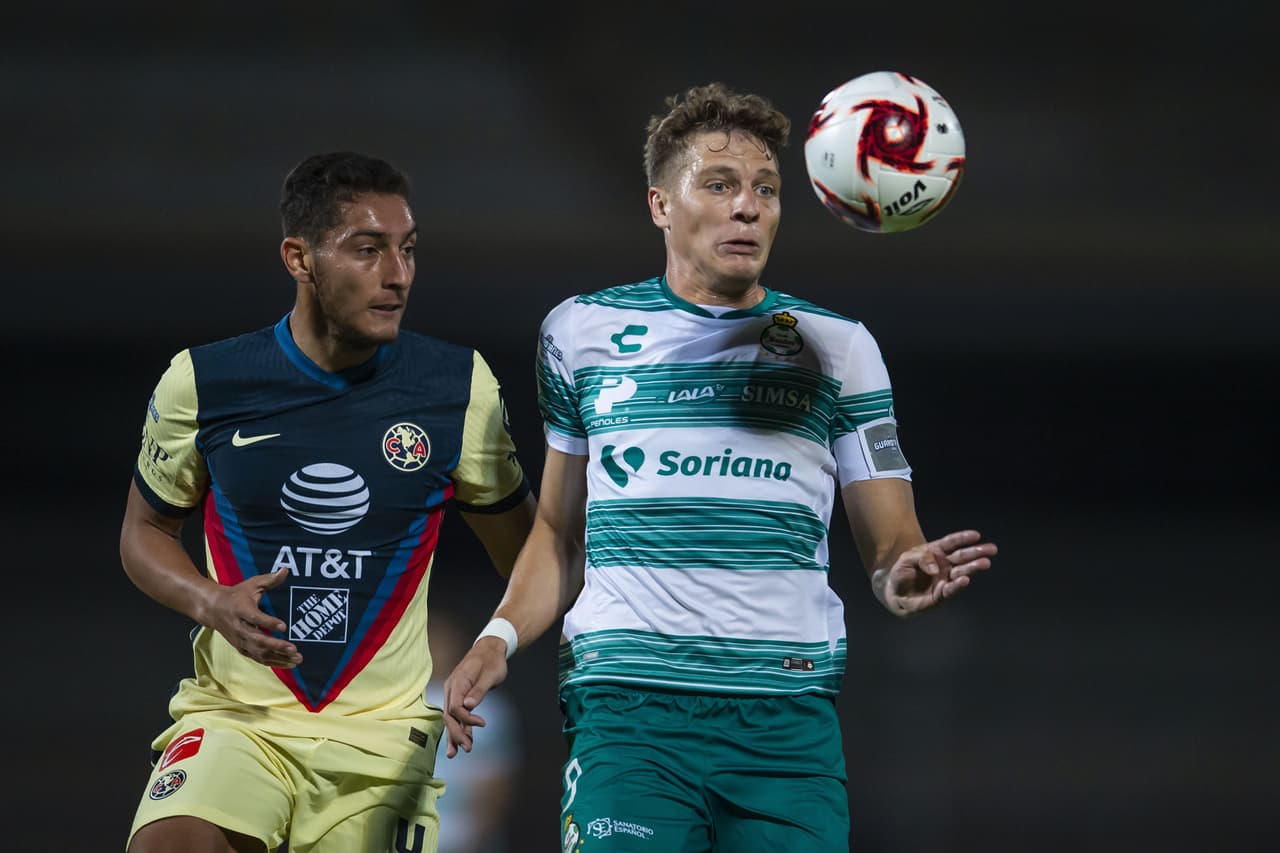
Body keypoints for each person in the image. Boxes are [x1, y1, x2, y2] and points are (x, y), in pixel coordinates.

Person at [441, 83, 997, 852]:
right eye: (720, 184)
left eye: (766, 190)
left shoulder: (838, 347)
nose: (748, 208)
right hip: (630, 712)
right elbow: (560, 535)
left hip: (784, 722)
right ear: (660, 205)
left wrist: (900, 575)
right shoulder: (580, 332)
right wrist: (497, 637)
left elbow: (892, 538)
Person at [120, 151, 537, 853]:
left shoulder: (458, 388)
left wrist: (499, 640)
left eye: (407, 250)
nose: (397, 274)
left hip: (382, 742)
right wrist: (209, 600)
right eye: (367, 250)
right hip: (239, 722)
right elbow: (144, 532)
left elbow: (531, 555)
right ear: (300, 259)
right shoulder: (206, 382)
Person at [424, 610, 520, 853]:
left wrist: (480, 835)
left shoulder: (485, 706)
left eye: (440, 641)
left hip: (467, 838)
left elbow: (498, 779)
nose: (434, 649)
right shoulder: (399, 704)